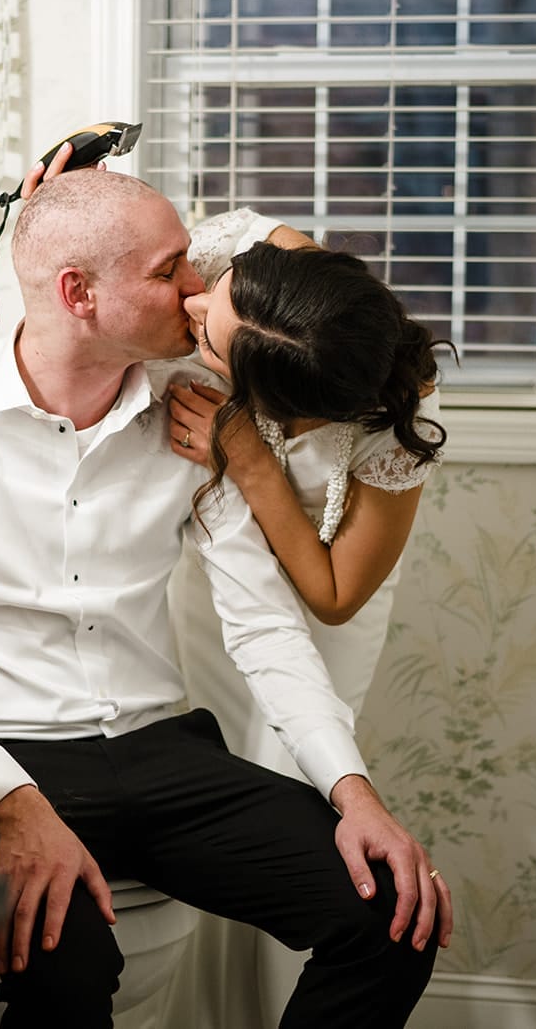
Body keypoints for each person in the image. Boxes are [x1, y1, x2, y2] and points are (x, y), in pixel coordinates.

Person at [0, 161, 453, 1029]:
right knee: (62, 968)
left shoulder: (202, 419)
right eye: (169, 269)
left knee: (393, 921)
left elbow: (265, 626)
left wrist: (355, 793)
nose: (195, 291)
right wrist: (7, 802)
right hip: (11, 757)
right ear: (79, 294)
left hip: (159, 752)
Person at [158, 208, 450, 1027]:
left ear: (279, 404)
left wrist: (249, 461)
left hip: (321, 605)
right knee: (202, 763)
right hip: (215, 571)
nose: (189, 311)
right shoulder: (259, 264)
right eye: (216, 297)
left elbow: (332, 593)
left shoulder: (395, 410)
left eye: (207, 342)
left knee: (285, 785)